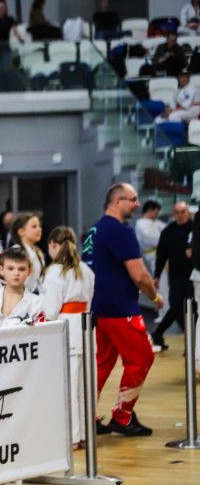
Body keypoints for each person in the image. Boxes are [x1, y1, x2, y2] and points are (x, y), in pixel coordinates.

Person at [81, 183, 163, 437]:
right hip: (119, 308)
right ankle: (122, 416)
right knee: (142, 358)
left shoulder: (93, 230)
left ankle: (85, 416)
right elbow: (139, 275)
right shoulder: (121, 231)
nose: (138, 205)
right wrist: (155, 297)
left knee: (102, 362)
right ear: (117, 201)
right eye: (133, 199)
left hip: (97, 308)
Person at [40, 227, 95, 447]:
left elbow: (50, 310)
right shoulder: (86, 270)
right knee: (85, 388)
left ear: (52, 244)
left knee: (69, 388)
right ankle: (84, 435)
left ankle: (71, 438)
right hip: (86, 329)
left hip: (66, 330)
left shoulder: (54, 272)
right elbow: (90, 302)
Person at [151, 201, 194, 351]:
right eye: (177, 212)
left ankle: (192, 343)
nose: (181, 215)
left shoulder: (195, 228)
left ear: (188, 213)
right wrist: (156, 275)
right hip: (176, 277)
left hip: (194, 276)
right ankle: (158, 333)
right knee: (176, 307)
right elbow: (161, 255)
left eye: (183, 212)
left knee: (191, 308)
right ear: (173, 214)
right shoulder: (167, 232)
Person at [0, 246, 44, 328]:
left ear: (29, 271)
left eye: (21, 269)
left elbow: (40, 334)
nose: (16, 273)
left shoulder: (36, 303)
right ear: (2, 270)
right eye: (11, 269)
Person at [11, 213, 45, 293]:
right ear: (21, 232)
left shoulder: (38, 252)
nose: (39, 229)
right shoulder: (16, 252)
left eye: (39, 226)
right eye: (34, 227)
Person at [135, 200, 164, 279]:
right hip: (153, 257)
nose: (157, 215)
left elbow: (167, 229)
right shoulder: (141, 224)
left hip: (161, 255)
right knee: (160, 281)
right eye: (156, 212)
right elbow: (155, 240)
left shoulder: (156, 222)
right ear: (149, 210)